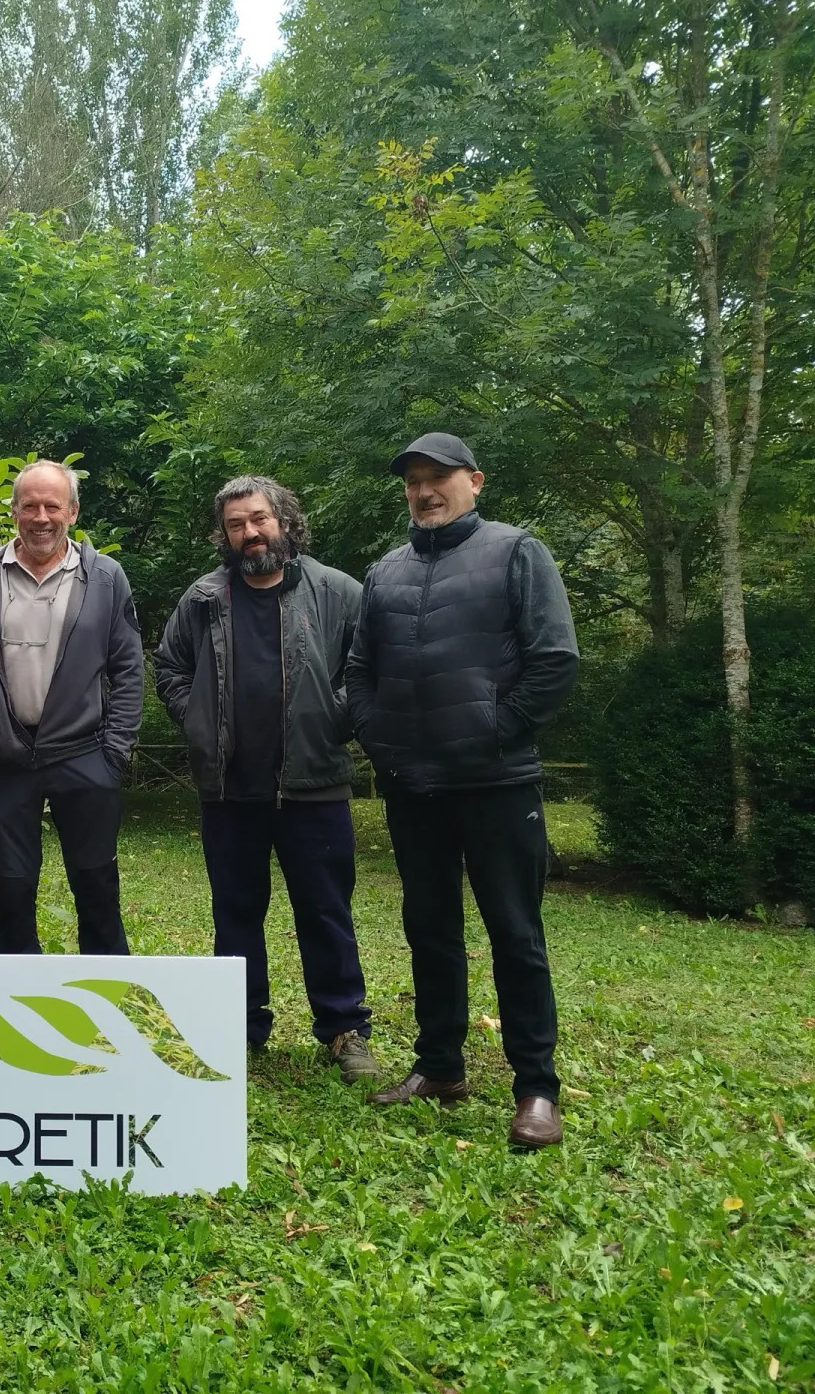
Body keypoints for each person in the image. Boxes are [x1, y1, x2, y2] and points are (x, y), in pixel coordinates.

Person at [347, 432, 579, 1149]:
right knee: (430, 929)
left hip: (496, 783)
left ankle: (536, 1089)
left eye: (438, 477)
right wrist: (381, 741)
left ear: (474, 481)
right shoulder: (385, 573)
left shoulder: (517, 552)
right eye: (413, 481)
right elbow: (359, 671)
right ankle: (440, 1068)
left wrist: (492, 733)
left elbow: (554, 660)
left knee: (515, 933)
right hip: (413, 787)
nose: (424, 492)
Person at [154, 475, 380, 1082]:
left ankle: (344, 1030)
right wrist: (197, 720)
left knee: (325, 911)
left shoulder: (337, 592)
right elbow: (170, 666)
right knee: (234, 912)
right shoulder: (202, 599)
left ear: (284, 520)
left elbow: (369, 669)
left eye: (259, 519)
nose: (249, 533)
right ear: (224, 534)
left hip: (315, 783)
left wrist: (335, 718)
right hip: (229, 789)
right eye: (236, 524)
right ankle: (240, 1029)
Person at [0, 459, 144, 955]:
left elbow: (129, 669)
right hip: (3, 760)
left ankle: (106, 989)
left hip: (85, 755)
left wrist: (114, 753)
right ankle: (16, 993)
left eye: (53, 506)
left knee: (96, 887)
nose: (41, 518)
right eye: (30, 506)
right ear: (14, 511)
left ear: (73, 511)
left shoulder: (105, 577)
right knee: (11, 890)